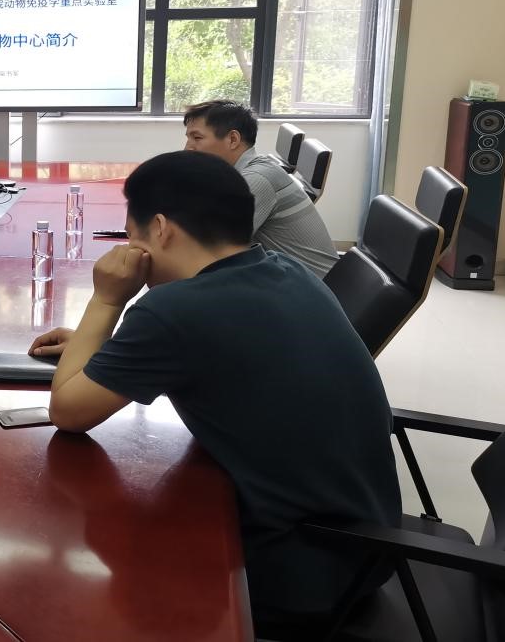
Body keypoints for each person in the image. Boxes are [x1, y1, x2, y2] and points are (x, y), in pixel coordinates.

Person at [30, 151, 400, 629]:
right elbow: (211, 350)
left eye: (130, 236)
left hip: (301, 569)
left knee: (76, 573)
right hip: (361, 544)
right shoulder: (287, 272)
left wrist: (105, 301)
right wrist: (100, 345)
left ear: (160, 229)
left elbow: (68, 411)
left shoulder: (174, 312)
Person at [182, 99, 338, 278]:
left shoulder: (256, 179)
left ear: (233, 139)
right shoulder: (241, 173)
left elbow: (210, 250)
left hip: (313, 288)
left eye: (197, 138)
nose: (187, 148)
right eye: (188, 138)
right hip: (286, 278)